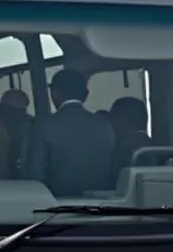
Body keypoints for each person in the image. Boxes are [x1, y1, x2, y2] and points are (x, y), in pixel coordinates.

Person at [23, 68, 115, 197]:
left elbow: (35, 175)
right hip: (101, 204)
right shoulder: (104, 125)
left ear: (55, 93)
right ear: (86, 94)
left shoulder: (42, 126)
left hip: (60, 205)